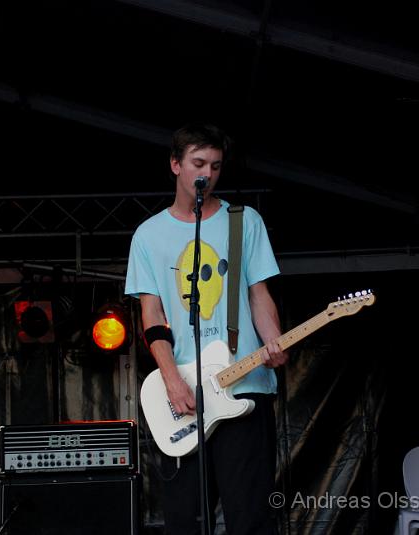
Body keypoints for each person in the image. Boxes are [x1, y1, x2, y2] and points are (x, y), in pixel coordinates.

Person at [125, 123, 287, 534]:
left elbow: (258, 294)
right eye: (198, 163)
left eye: (215, 166)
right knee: (185, 520)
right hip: (184, 394)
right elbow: (152, 315)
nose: (207, 174)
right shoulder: (148, 235)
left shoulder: (243, 221)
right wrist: (172, 381)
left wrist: (275, 341)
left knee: (250, 517)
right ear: (176, 164)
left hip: (245, 387)